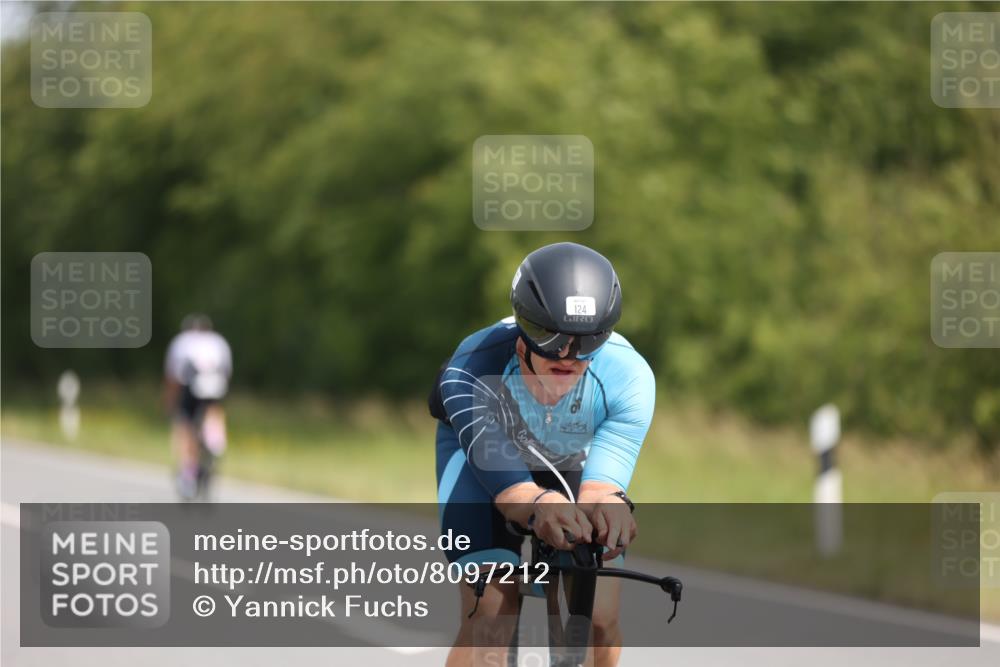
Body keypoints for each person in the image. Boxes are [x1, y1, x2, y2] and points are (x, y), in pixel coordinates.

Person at [429, 242, 655, 667]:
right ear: (524, 329)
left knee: (599, 618)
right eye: (549, 338)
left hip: (571, 460)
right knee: (492, 615)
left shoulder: (629, 377)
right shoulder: (474, 367)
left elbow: (602, 486)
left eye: (588, 342)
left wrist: (609, 506)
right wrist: (539, 504)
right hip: (485, 467)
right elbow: (511, 490)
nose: (568, 355)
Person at [163, 314, 233, 500]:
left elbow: (173, 378)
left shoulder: (181, 342)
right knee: (213, 411)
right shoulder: (219, 342)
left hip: (192, 386)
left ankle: (188, 473)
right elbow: (226, 373)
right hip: (215, 385)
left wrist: (169, 403)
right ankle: (215, 439)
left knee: (185, 425)